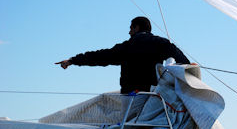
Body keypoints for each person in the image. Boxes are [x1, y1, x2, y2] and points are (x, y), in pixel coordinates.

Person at [56, 17, 190, 94]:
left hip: (131, 95)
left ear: (136, 28)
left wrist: (72, 60)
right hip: (154, 95)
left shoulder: (126, 47)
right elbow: (181, 58)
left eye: (131, 28)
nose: (129, 32)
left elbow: (99, 57)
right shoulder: (161, 43)